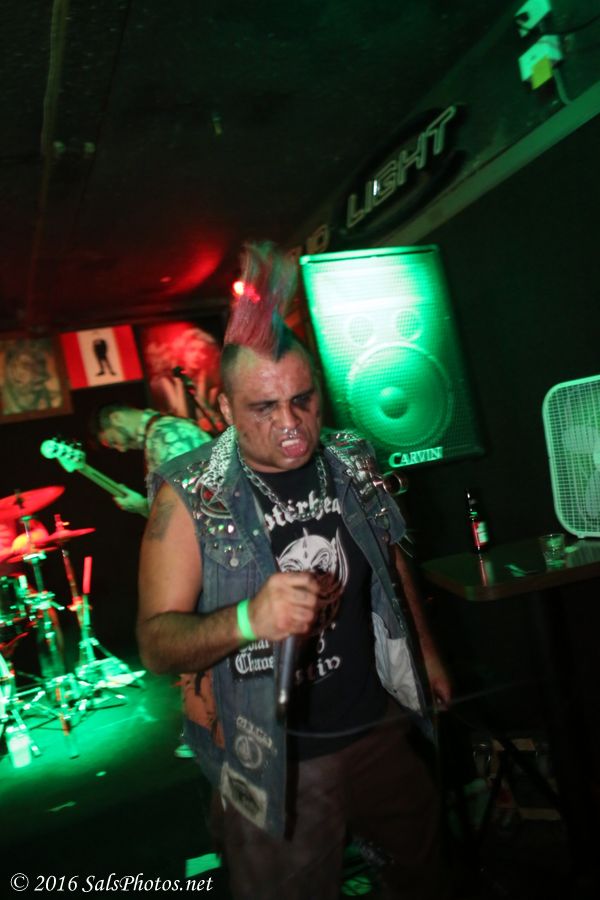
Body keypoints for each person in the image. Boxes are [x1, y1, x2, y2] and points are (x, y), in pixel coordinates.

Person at [137, 242, 452, 899]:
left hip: (375, 723)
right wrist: (250, 618)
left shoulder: (350, 458)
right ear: (226, 410)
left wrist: (424, 654)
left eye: (303, 401)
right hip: (272, 752)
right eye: (264, 408)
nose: (291, 425)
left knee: (425, 871)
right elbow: (157, 643)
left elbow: (389, 557)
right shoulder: (191, 494)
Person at [90, 404, 212, 516]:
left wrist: (142, 506)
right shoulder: (162, 430)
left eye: (114, 441)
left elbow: (188, 505)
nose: (122, 449)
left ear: (116, 418)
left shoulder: (162, 434)